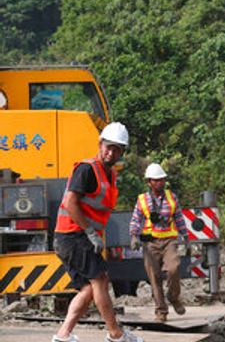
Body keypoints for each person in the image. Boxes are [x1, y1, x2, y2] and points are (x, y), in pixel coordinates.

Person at [52, 122, 143, 342]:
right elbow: (71, 203)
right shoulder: (87, 169)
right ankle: (116, 334)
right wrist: (90, 232)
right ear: (100, 144)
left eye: (117, 149)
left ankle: (63, 335)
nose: (111, 152)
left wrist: (95, 234)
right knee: (100, 281)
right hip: (74, 236)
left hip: (75, 238)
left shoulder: (109, 175)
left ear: (122, 152)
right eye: (108, 147)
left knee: (88, 289)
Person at [129, 163, 190, 322]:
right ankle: (161, 312)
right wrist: (134, 236)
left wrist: (186, 237)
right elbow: (136, 220)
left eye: (162, 180)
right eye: (156, 180)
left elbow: (178, 218)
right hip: (150, 243)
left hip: (169, 240)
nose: (160, 183)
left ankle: (173, 297)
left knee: (173, 268)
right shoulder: (142, 200)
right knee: (154, 277)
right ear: (149, 182)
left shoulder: (172, 197)